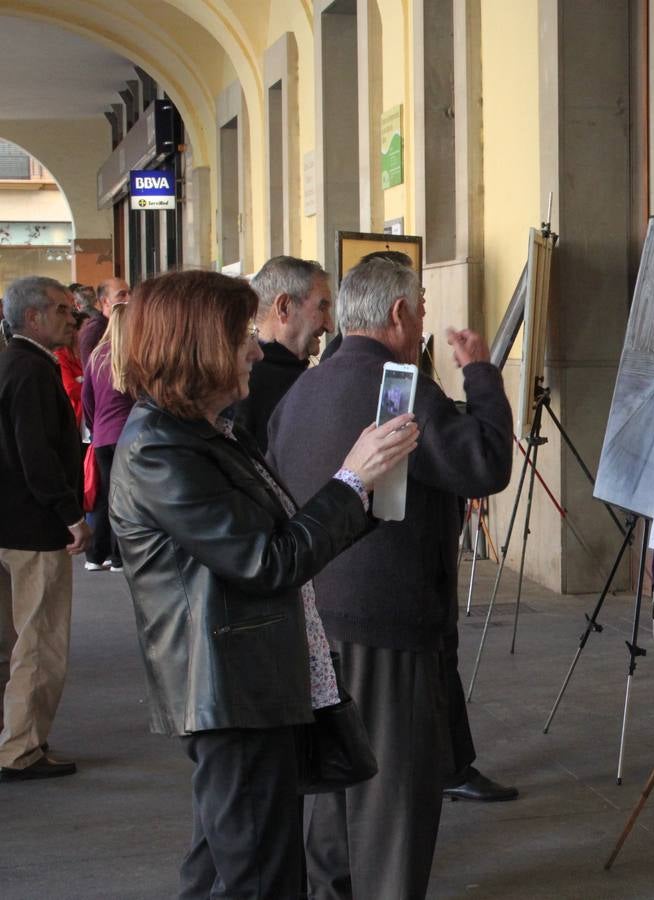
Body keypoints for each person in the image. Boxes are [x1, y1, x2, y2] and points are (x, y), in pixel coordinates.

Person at [109, 270, 419, 898]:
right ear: (198, 347)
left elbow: (277, 537)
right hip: (232, 693)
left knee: (224, 869)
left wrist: (362, 490)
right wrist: (351, 481)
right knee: (260, 878)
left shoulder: (204, 431)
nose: (255, 349)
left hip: (245, 688)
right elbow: (269, 560)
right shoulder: (160, 449)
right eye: (240, 336)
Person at [269, 257, 513, 899]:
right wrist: (482, 374)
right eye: (423, 308)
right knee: (392, 804)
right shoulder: (398, 388)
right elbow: (485, 463)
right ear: (399, 314)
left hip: (314, 616)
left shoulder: (302, 390)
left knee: (335, 793)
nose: (425, 320)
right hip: (388, 624)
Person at [0, 276, 88, 781]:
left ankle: (20, 740)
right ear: (32, 317)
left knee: (18, 639)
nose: (71, 319)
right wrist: (69, 514)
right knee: (39, 641)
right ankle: (21, 749)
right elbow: (36, 454)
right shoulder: (32, 371)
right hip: (33, 527)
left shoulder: (17, 364)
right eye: (61, 310)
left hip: (14, 523)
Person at [235, 256, 334, 452]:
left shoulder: (248, 380)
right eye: (322, 307)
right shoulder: (242, 386)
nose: (330, 325)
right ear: (284, 307)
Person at [81, 304, 135, 573]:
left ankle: (94, 555)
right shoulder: (133, 356)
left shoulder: (95, 357)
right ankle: (119, 557)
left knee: (104, 496)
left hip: (102, 436)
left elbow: (86, 399)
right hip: (128, 436)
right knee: (125, 496)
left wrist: (95, 427)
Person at [77, 276, 130, 368]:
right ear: (105, 301)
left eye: (129, 293)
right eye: (122, 295)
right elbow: (92, 372)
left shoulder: (124, 325)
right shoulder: (94, 331)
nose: (129, 299)